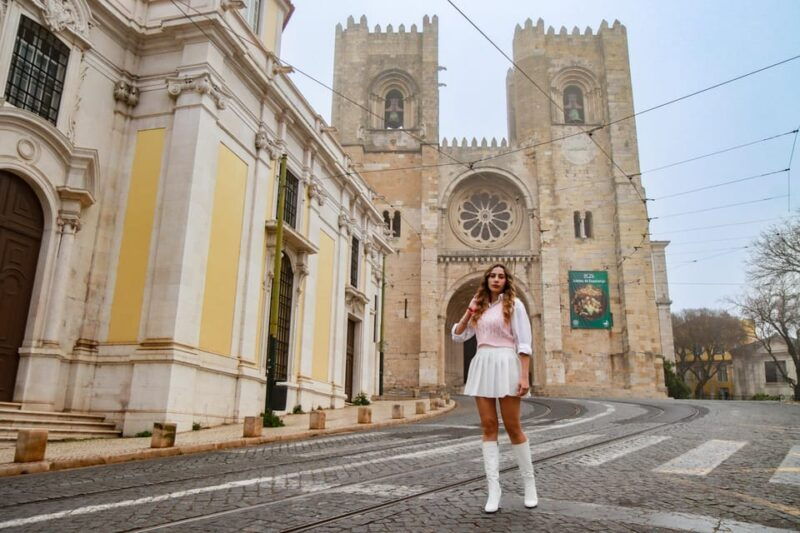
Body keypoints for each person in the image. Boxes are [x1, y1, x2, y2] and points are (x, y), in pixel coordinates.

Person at [451, 263, 537, 513]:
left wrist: (524, 376)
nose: (496, 279)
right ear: (486, 279)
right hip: (482, 362)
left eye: (501, 276)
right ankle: (494, 491)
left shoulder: (515, 305)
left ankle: (529, 485)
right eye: (492, 276)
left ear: (506, 281)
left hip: (506, 362)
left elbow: (524, 343)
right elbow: (458, 334)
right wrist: (469, 311)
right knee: (488, 425)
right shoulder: (479, 307)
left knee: (513, 426)